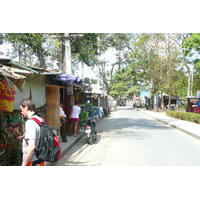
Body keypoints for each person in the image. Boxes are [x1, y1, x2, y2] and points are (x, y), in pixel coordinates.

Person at [20, 98, 45, 166]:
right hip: (40, 159)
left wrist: (23, 164)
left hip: (32, 161)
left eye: (21, 109)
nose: (21, 112)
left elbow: (31, 146)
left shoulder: (30, 123)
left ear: (26, 108)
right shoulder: (40, 119)